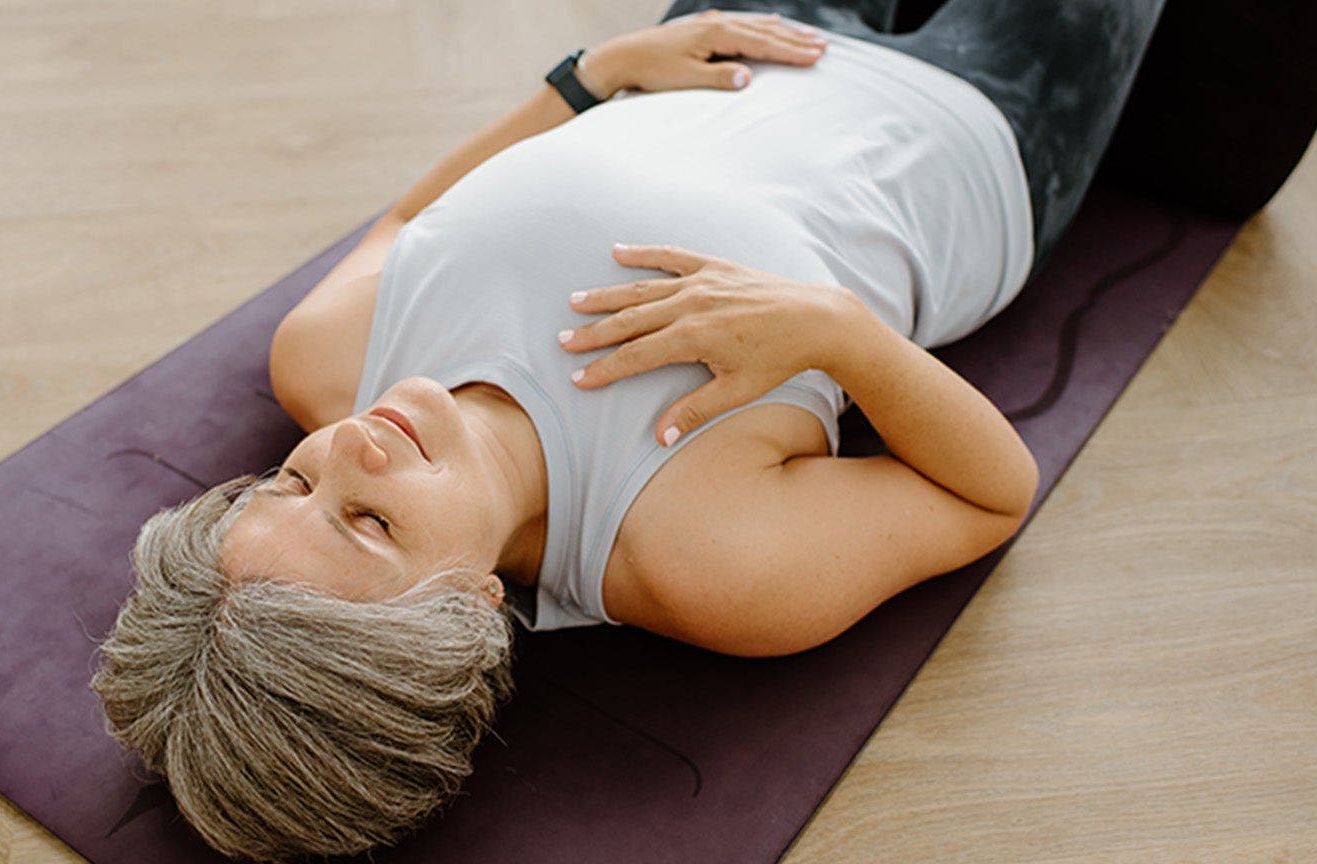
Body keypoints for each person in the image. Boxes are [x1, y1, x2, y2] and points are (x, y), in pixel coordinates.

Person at [89, 1, 1166, 860]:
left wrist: (588, 78)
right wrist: (836, 334)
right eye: (369, 524)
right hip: (976, 120)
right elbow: (990, 493)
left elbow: (406, 222)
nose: (350, 450)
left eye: (287, 480)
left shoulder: (324, 357)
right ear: (463, 611)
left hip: (731, 32)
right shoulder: (702, 557)